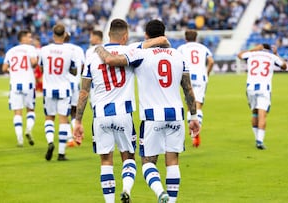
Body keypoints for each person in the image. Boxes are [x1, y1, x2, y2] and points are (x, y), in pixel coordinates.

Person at [94, 19, 200, 203]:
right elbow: (188, 89)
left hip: (152, 117)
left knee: (147, 163)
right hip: (176, 115)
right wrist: (194, 116)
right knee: (173, 161)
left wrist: (99, 48)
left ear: (146, 36)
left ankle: (160, 193)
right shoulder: (178, 55)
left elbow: (112, 60)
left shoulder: (140, 54)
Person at [73, 19, 170, 203]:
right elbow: (154, 42)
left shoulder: (93, 55)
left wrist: (78, 121)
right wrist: (163, 40)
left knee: (106, 161)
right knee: (128, 157)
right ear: (125, 36)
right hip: (123, 114)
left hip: (100, 115)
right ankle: (126, 189)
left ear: (109, 34)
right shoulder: (131, 50)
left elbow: (84, 91)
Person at [39, 23, 77, 161]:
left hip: (48, 89)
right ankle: (61, 153)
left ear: (53, 35)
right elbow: (74, 71)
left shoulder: (44, 50)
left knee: (49, 118)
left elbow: (42, 68)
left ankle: (50, 142)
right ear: (65, 35)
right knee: (63, 120)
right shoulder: (69, 51)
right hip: (64, 89)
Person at [237, 44, 287, 149]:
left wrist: (253, 49)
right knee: (262, 115)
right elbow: (284, 66)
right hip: (264, 88)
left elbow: (239, 55)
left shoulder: (251, 54)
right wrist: (276, 54)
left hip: (250, 88)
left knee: (254, 113)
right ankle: (259, 141)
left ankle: (257, 139)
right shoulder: (271, 57)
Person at [177, 29, 214, 148]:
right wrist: (207, 72)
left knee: (189, 105)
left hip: (188, 77)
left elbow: (177, 61)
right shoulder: (203, 48)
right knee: (198, 105)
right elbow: (211, 61)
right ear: (196, 38)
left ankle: (192, 129)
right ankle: (196, 131)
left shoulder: (182, 48)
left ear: (186, 38)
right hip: (201, 77)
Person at [2, 29, 37, 147]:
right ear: (23, 38)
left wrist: (13, 70)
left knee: (17, 112)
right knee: (30, 110)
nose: (31, 39)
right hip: (28, 83)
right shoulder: (31, 49)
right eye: (29, 37)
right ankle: (28, 129)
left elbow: (4, 68)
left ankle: (20, 139)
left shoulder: (10, 51)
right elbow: (33, 63)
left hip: (15, 84)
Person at [63, 32, 86, 147]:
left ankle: (68, 137)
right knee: (74, 111)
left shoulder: (59, 49)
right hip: (75, 84)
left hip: (62, 84)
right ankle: (77, 134)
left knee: (63, 112)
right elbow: (82, 66)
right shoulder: (78, 49)